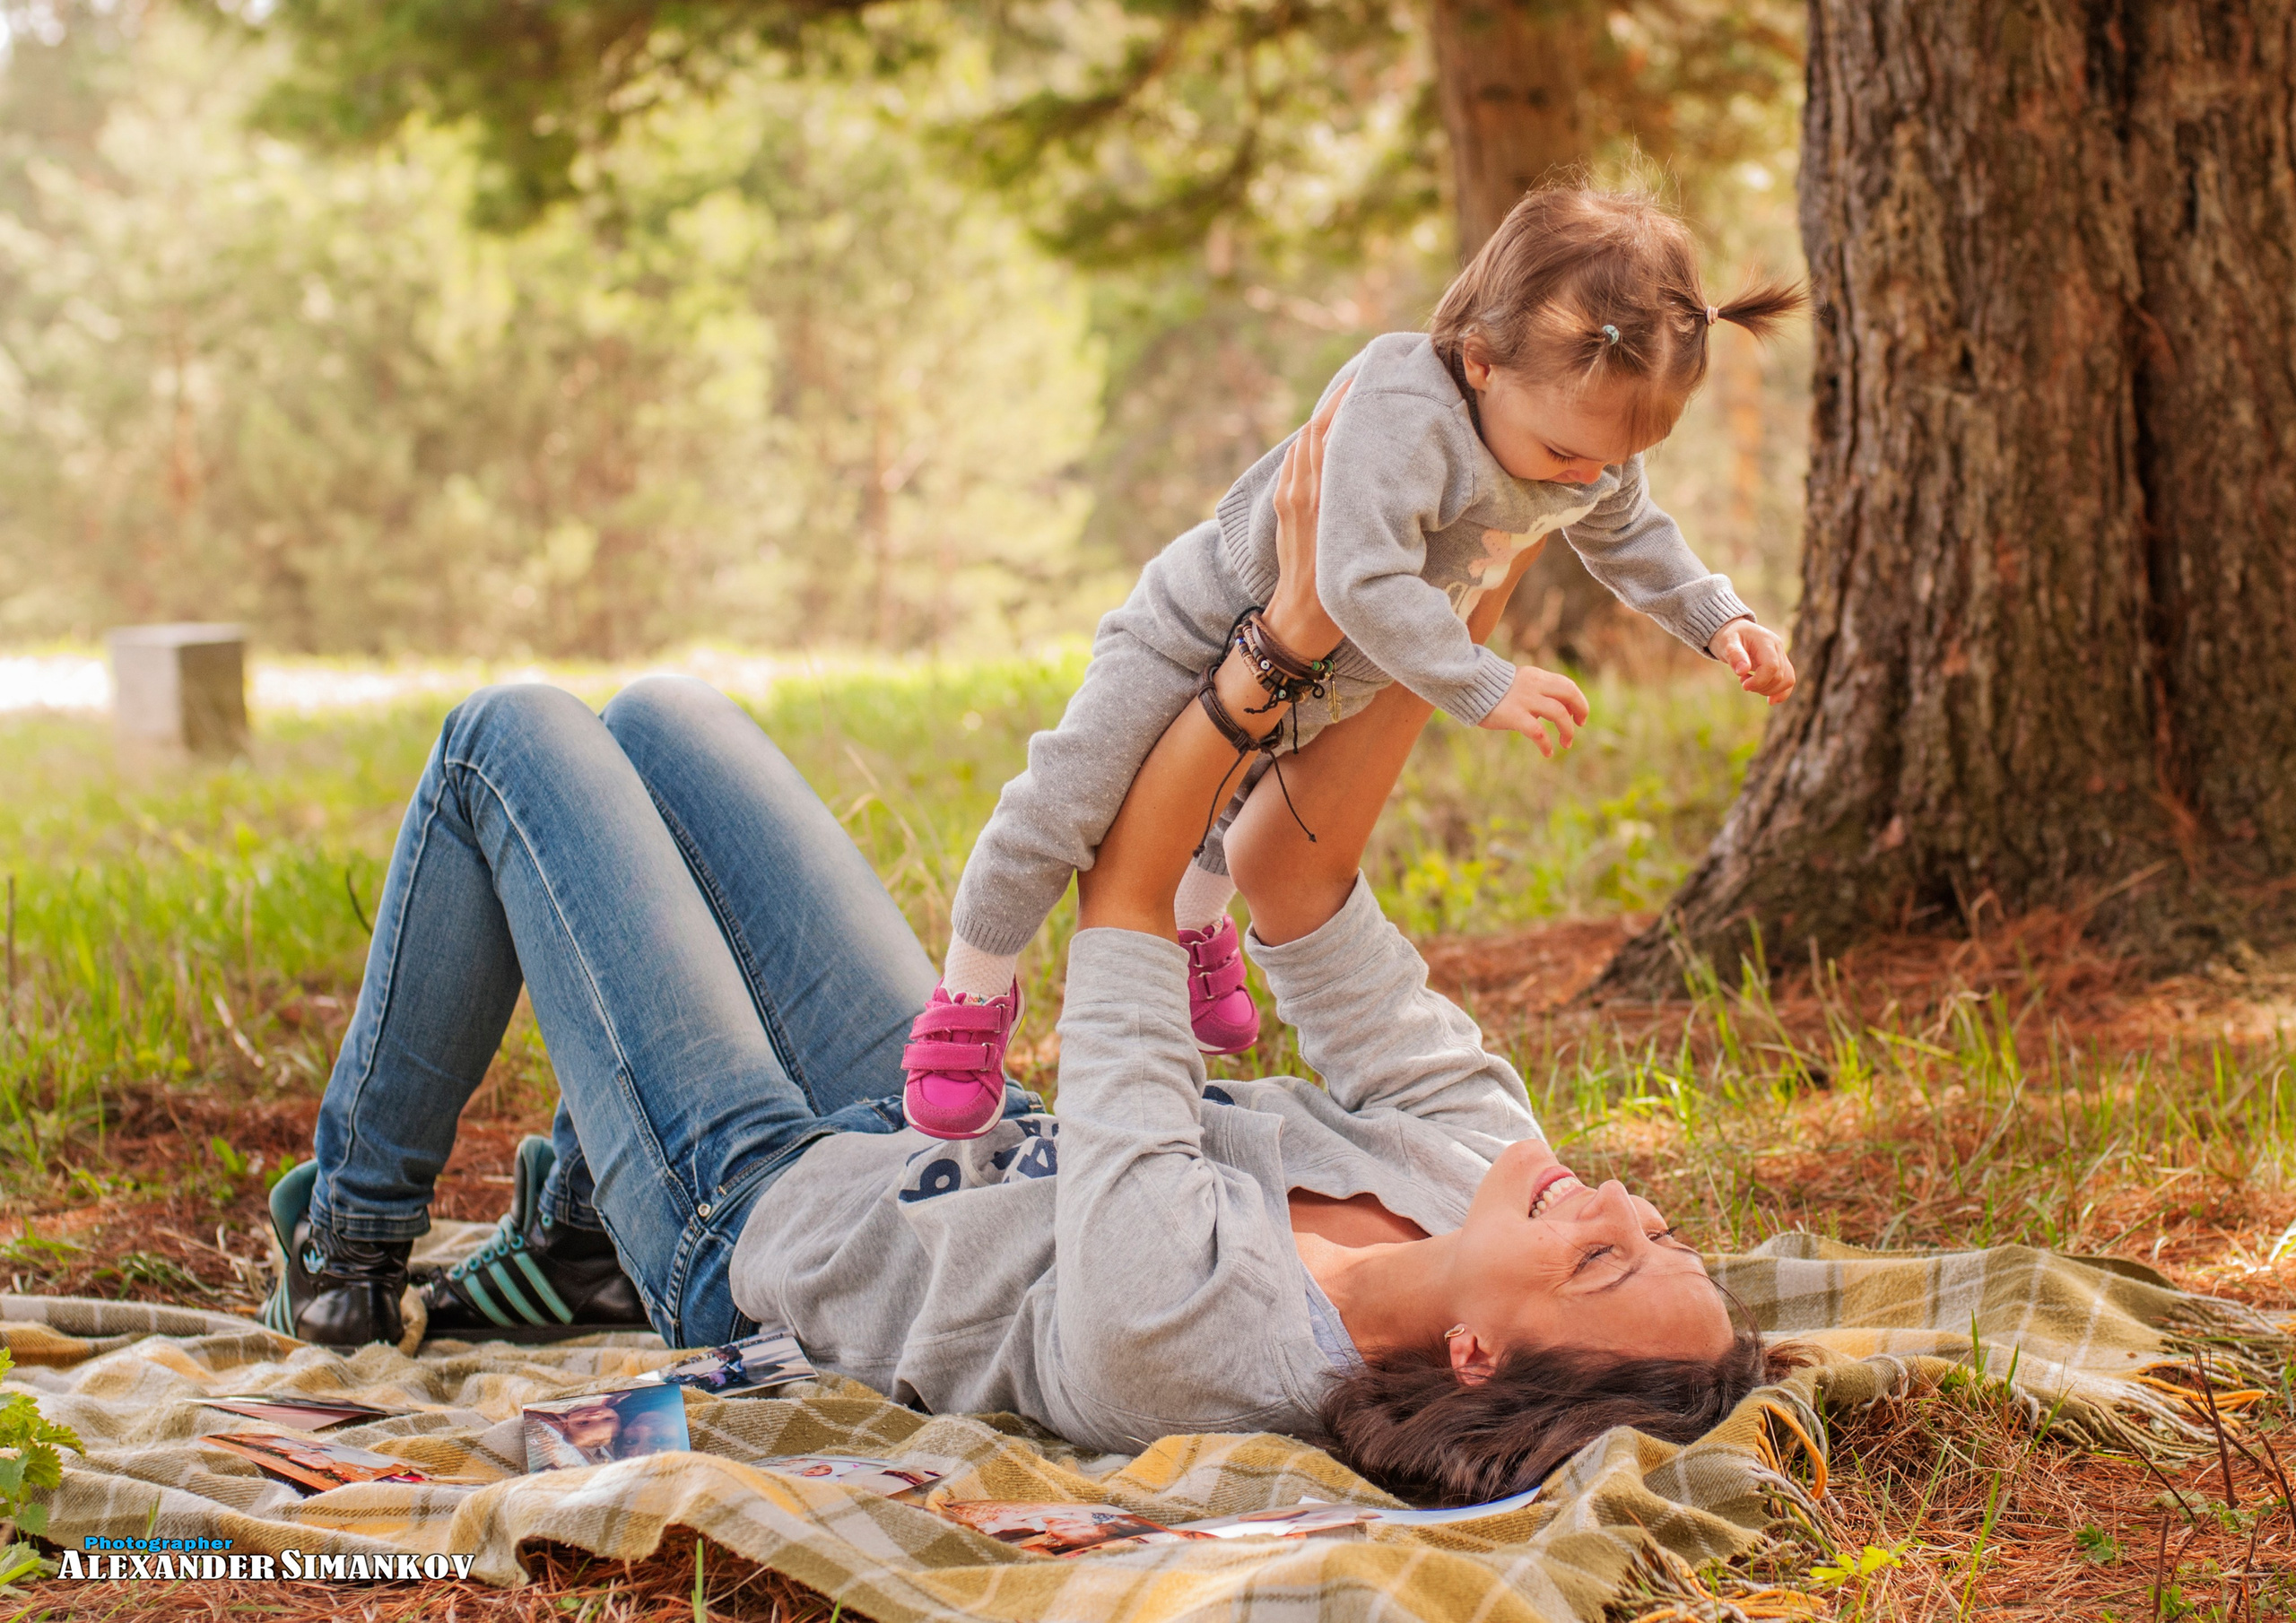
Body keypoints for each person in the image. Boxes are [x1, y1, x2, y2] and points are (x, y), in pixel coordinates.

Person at [262, 402, 1779, 1502]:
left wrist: (1285, 645)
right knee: (667, 716)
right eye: (1662, 1234)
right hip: (942, 1132)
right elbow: (1288, 880)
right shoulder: (1484, 1170)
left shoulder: (1197, 1345)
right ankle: (575, 1221)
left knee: (504, 741)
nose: (1625, 1205)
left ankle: (347, 1237)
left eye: (1600, 1260)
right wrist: (1440, 591)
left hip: (762, 1216)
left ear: (1473, 1358)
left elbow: (1126, 891)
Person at [907, 181, 1805, 1141]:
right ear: (1481, 362)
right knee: (1071, 796)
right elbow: (1353, 580)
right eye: (1565, 453)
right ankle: (970, 993)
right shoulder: (1402, 407)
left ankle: (1194, 925)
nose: (1588, 477)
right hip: (1200, 627)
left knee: (1236, 790)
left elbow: (1631, 532)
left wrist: (1717, 618)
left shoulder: (1587, 441)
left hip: (1342, 671)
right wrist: (1482, 683)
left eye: (1612, 457)